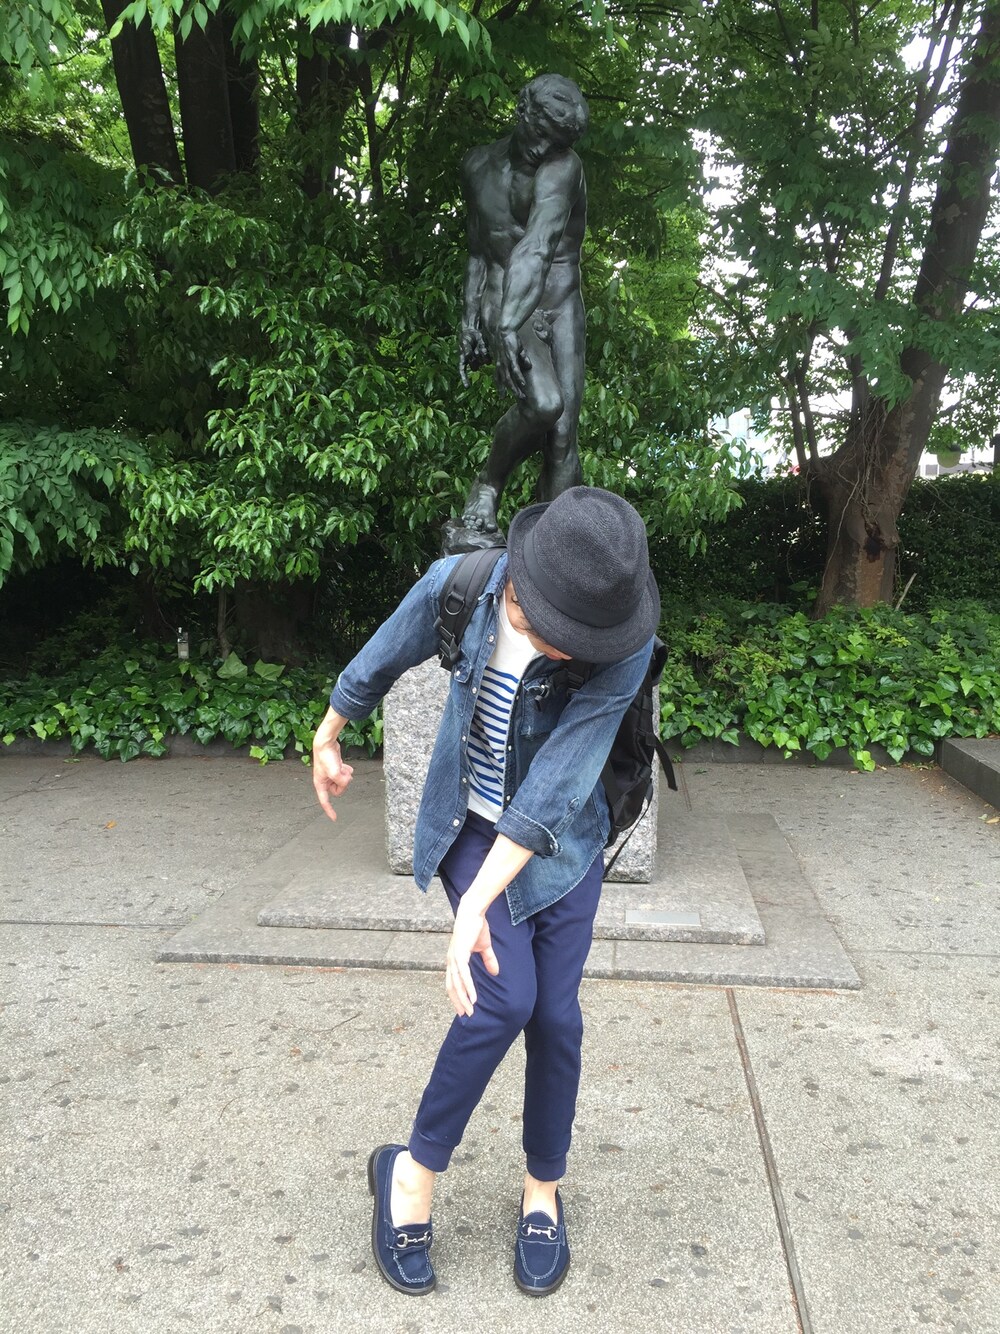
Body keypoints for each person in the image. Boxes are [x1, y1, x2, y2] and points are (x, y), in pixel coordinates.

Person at [311, 487, 660, 1297]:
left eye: (585, 640)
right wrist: (330, 731)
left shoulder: (623, 640)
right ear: (519, 592)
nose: (570, 652)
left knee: (556, 1016)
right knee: (504, 1000)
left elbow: (558, 786)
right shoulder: (464, 587)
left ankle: (542, 1191)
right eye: (556, 633)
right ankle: (409, 1173)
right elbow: (383, 653)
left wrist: (474, 906)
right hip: (470, 824)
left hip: (565, 841)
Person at [456, 74, 589, 538]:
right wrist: (470, 319)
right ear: (522, 112)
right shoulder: (476, 165)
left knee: (563, 440)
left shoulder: (563, 167)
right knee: (545, 404)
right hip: (505, 297)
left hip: (560, 301)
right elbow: (480, 247)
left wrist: (508, 325)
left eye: (558, 143)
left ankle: (554, 549)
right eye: (543, 135)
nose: (547, 149)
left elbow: (538, 245)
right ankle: (488, 483)